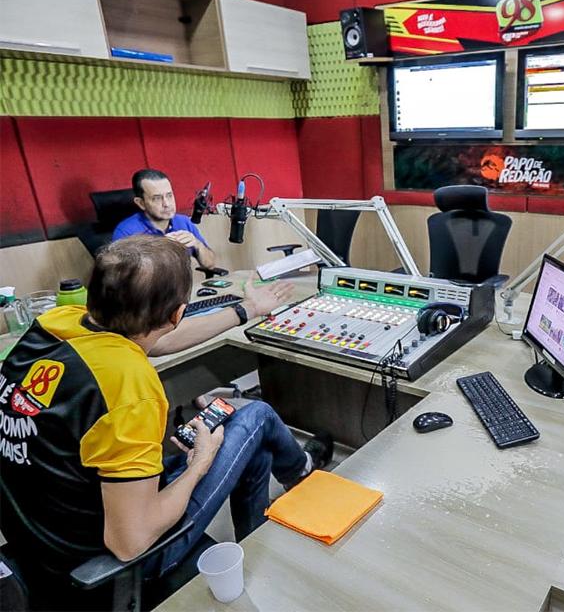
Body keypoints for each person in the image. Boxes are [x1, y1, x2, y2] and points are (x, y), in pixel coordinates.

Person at [0, 235, 326, 602]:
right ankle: (302, 473)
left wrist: (245, 310)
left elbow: (156, 340)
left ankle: (257, 545)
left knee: (255, 449)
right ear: (177, 313)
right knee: (258, 415)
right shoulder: (127, 387)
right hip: (111, 563)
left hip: (40, 539)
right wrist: (198, 465)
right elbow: (129, 543)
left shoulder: (54, 326)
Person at [113, 168, 218, 271]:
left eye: (169, 195)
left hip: (184, 287)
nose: (167, 204)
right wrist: (160, 249)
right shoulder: (126, 232)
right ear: (141, 203)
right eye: (157, 198)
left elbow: (210, 264)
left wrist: (197, 244)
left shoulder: (184, 222)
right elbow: (122, 278)